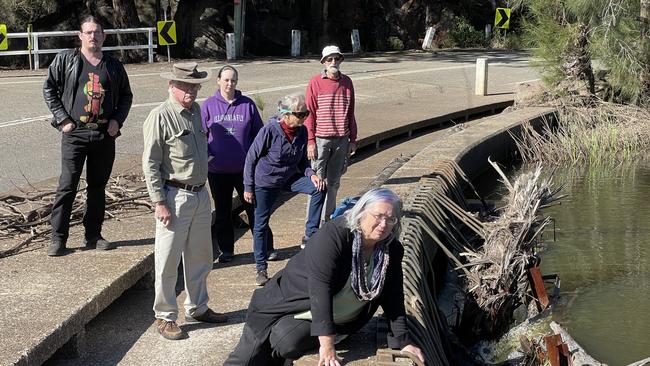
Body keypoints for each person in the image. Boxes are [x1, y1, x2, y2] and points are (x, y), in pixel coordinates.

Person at [225, 188, 426, 365]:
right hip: (290, 301)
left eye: (390, 219)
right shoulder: (335, 236)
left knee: (287, 341)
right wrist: (327, 345)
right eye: (378, 216)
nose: (383, 224)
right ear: (362, 212)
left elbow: (393, 295)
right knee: (248, 357)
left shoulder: (391, 249)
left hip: (338, 320)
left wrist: (403, 340)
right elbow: (320, 289)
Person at [142, 62, 227, 341]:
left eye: (195, 86)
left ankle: (197, 307)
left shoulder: (196, 112)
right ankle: (165, 316)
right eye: (186, 86)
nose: (191, 90)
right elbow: (151, 163)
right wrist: (159, 202)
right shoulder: (160, 116)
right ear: (171, 86)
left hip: (201, 195)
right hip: (174, 196)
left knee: (200, 256)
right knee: (167, 262)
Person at [43, 15, 133, 256]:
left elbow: (126, 95)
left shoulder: (113, 65)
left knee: (97, 187)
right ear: (80, 36)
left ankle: (93, 235)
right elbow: (49, 88)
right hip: (75, 134)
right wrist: (63, 119)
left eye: (97, 32)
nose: (93, 36)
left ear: (103, 36)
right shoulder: (66, 60)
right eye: (89, 32)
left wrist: (116, 121)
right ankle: (58, 238)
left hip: (104, 135)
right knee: (67, 185)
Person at [243, 93, 326, 286]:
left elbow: (303, 161)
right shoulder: (270, 130)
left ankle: (310, 235)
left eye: (306, 113)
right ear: (286, 114)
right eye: (300, 114)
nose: (304, 117)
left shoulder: (303, 132)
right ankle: (260, 269)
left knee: (319, 188)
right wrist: (248, 187)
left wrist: (311, 174)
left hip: (289, 178)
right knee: (260, 224)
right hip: (266, 182)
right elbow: (251, 158)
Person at [201, 65, 268, 263]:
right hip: (217, 171)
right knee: (223, 211)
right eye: (227, 80)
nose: (230, 84)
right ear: (219, 80)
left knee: (254, 209)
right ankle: (226, 250)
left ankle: (263, 247)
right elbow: (200, 136)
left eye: (233, 80)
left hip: (245, 171)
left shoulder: (247, 104)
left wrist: (260, 161)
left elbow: (260, 135)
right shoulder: (209, 105)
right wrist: (207, 156)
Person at [303, 45, 358, 240]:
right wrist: (310, 140)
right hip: (320, 139)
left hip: (341, 139)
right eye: (329, 59)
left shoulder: (347, 82)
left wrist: (352, 139)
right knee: (316, 185)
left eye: (336, 58)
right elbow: (309, 114)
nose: (333, 62)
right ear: (323, 62)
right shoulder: (315, 83)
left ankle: (329, 224)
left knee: (333, 184)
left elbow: (351, 112)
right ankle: (311, 229)